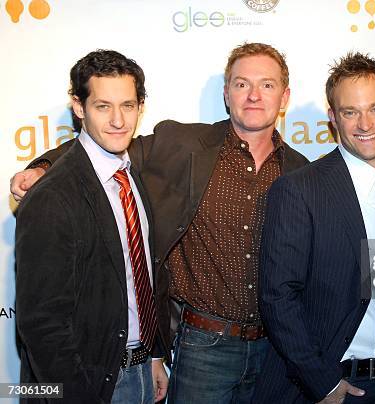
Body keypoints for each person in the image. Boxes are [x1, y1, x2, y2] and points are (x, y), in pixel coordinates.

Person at [11, 43, 309, 403]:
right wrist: (42, 168)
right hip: (203, 347)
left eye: (267, 84)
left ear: (285, 95)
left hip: (274, 350)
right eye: (242, 84)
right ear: (227, 94)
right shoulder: (181, 144)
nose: (254, 96)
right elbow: (103, 148)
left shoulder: (301, 170)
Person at [253, 52, 375, 404]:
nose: (364, 123)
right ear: (333, 118)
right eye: (350, 112)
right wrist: (323, 382)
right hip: (332, 388)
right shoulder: (300, 189)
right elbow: (277, 296)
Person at [15, 49, 169, 403]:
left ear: (140, 107)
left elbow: (143, 275)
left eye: (128, 105)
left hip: (141, 369)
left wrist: (155, 355)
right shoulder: (53, 195)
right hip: (91, 383)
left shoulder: (130, 176)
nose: (118, 120)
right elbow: (42, 323)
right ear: (79, 107)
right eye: (103, 106)